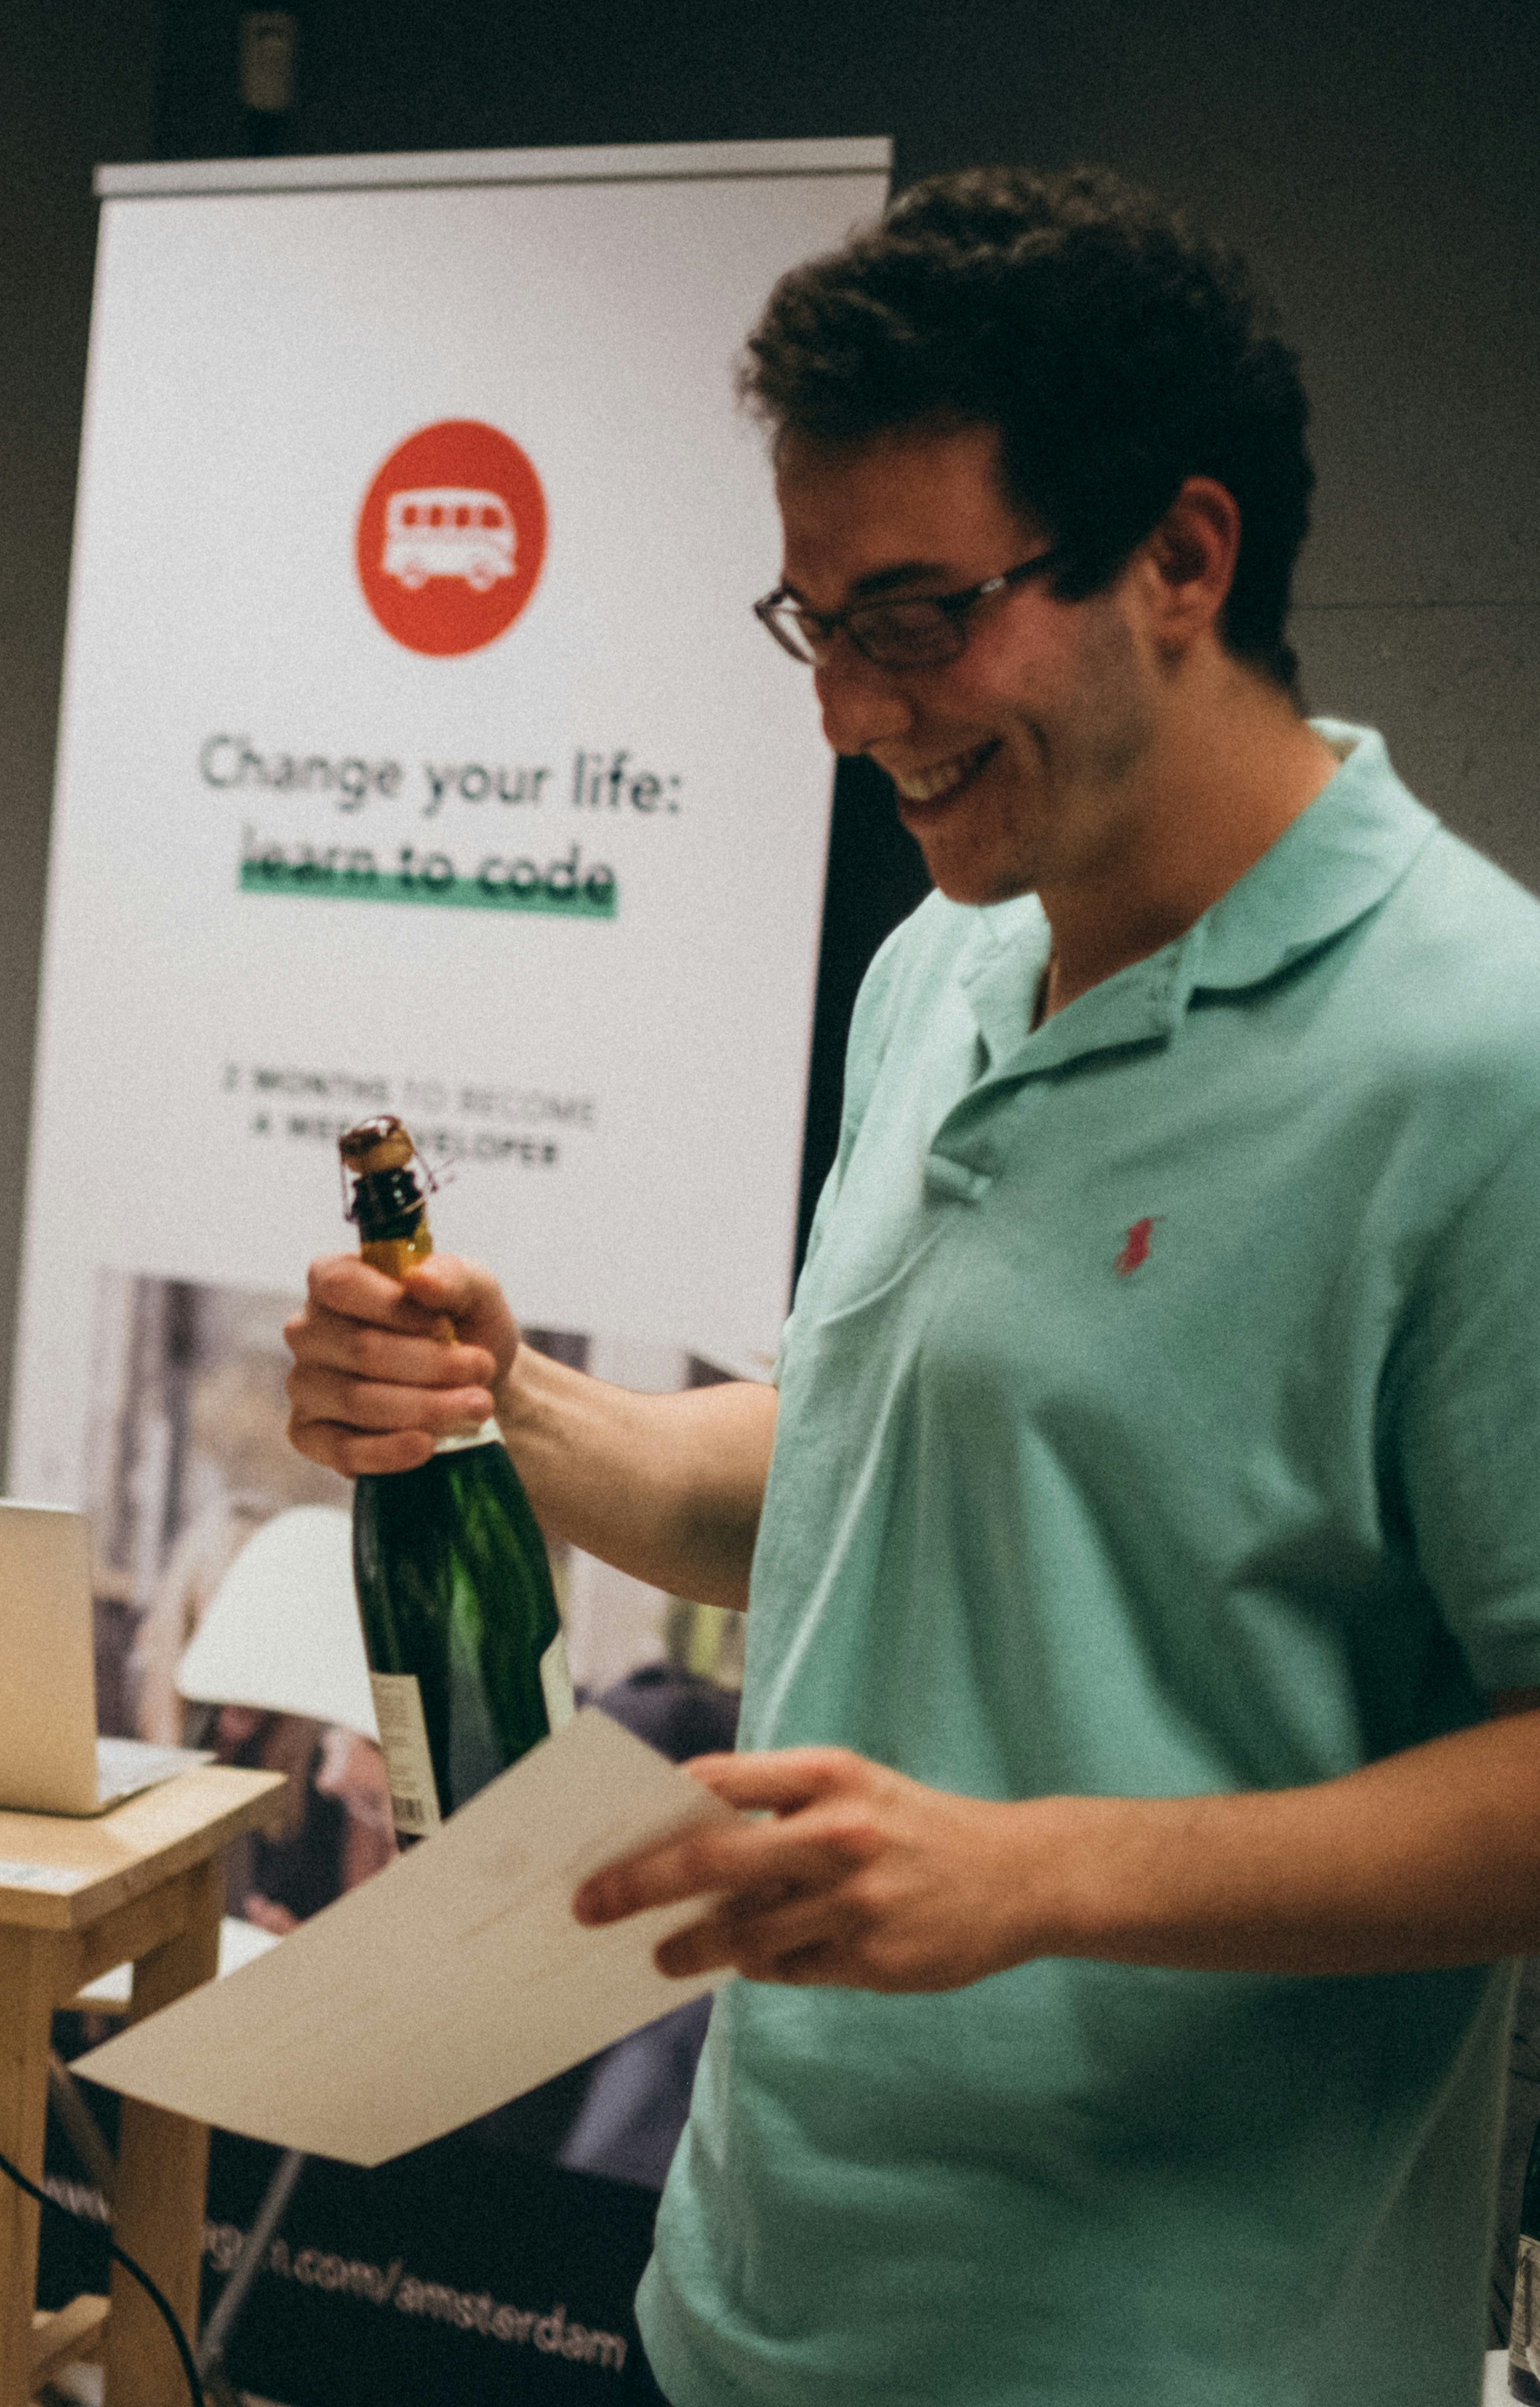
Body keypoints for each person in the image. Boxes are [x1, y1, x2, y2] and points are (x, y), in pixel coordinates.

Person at [286, 166, 1540, 2405]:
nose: (847, 713)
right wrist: (517, 1408)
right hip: (749, 2317)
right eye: (810, 624)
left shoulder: (1482, 1059)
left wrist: (1042, 1873)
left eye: (918, 615)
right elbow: (857, 1468)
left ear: (1180, 556)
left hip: (1171, 2361)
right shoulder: (943, 968)